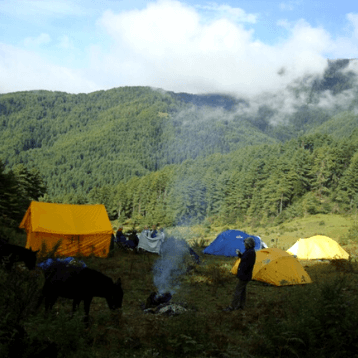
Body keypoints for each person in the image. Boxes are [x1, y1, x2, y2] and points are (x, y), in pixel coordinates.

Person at [224, 237, 256, 311]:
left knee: (238, 290)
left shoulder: (250, 252)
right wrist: (240, 255)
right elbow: (244, 259)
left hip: (244, 275)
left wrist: (241, 273)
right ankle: (241, 305)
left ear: (249, 244)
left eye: (245, 243)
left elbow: (247, 264)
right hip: (245, 275)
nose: (244, 244)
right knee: (242, 290)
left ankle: (232, 306)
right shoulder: (249, 251)